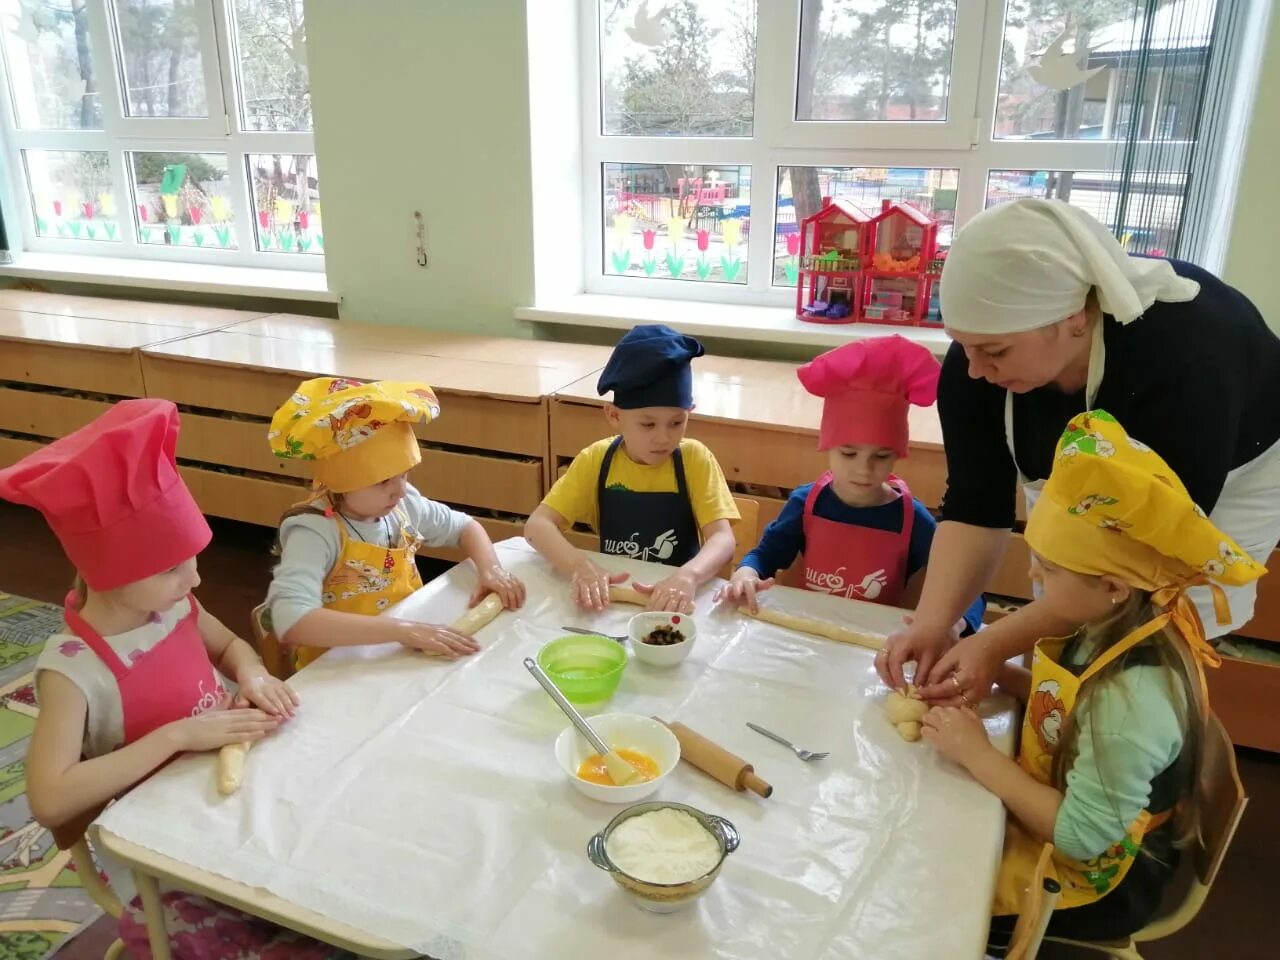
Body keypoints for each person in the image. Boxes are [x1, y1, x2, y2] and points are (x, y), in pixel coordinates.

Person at [878, 198, 1280, 704]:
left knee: (1143, 664)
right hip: (1095, 483)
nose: (975, 369)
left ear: (1073, 318)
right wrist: (935, 624)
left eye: (994, 352)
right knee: (1062, 613)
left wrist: (994, 644)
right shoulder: (979, 359)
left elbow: (1141, 561)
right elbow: (976, 510)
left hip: (1227, 479)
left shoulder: (1189, 360)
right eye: (963, 346)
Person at [0, 400, 349, 958]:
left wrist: (252, 672)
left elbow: (231, 645)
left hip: (215, 792)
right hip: (155, 843)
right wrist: (178, 737)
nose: (195, 576)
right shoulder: (70, 670)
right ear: (107, 572)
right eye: (172, 566)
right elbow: (50, 798)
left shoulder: (174, 603)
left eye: (191, 558)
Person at [921, 410, 1264, 954]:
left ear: (1111, 586)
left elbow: (1082, 838)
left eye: (1047, 569)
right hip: (1067, 810)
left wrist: (977, 755)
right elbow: (1069, 703)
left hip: (1095, 881)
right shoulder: (1108, 625)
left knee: (930, 889)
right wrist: (1004, 680)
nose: (1032, 576)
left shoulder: (1129, 705)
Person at [719, 336, 985, 633]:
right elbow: (765, 555)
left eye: (881, 456)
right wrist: (745, 572)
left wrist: (956, 623)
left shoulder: (913, 519)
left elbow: (964, 585)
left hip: (868, 645)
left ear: (898, 455)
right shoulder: (806, 503)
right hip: (804, 631)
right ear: (827, 447)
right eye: (848, 453)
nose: (864, 469)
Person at [266, 377, 525, 669]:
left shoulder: (402, 505)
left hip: (401, 652)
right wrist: (402, 630)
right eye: (383, 481)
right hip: (338, 667)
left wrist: (490, 569)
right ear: (342, 482)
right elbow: (292, 619)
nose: (399, 490)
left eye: (404, 474)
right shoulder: (314, 531)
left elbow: (465, 527)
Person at [524, 324, 739, 613]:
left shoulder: (694, 460)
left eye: (677, 422)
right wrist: (580, 566)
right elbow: (537, 527)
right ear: (614, 416)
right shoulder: (597, 460)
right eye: (648, 424)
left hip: (677, 601)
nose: (664, 437)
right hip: (615, 599)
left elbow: (723, 540)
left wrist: (688, 576)